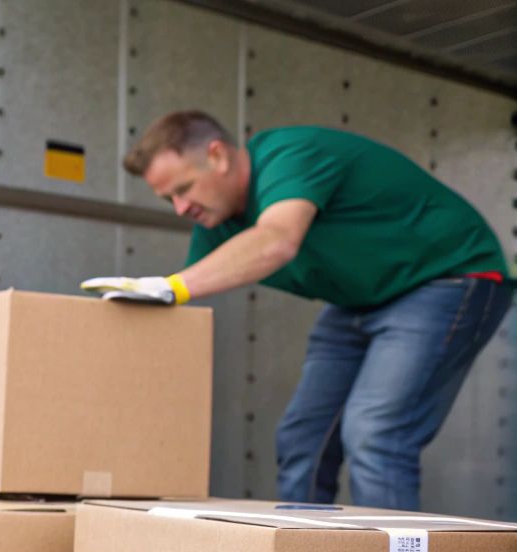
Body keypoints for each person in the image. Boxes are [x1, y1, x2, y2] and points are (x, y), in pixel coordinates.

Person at [83, 110, 511, 511]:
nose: (180, 208)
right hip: (362, 300)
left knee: (376, 433)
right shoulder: (218, 225)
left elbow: (276, 240)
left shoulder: (288, 155)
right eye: (168, 200)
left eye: (182, 189)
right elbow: (181, 298)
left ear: (217, 156)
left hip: (449, 277)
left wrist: (171, 287)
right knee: (303, 437)